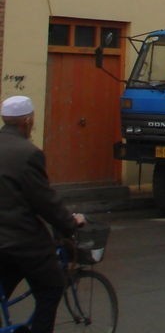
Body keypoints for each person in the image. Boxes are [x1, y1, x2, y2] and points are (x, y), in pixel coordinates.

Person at [0, 95, 85, 333]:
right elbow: (45, 201)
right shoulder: (28, 154)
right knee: (51, 289)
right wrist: (70, 222)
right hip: (21, 242)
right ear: (27, 122)